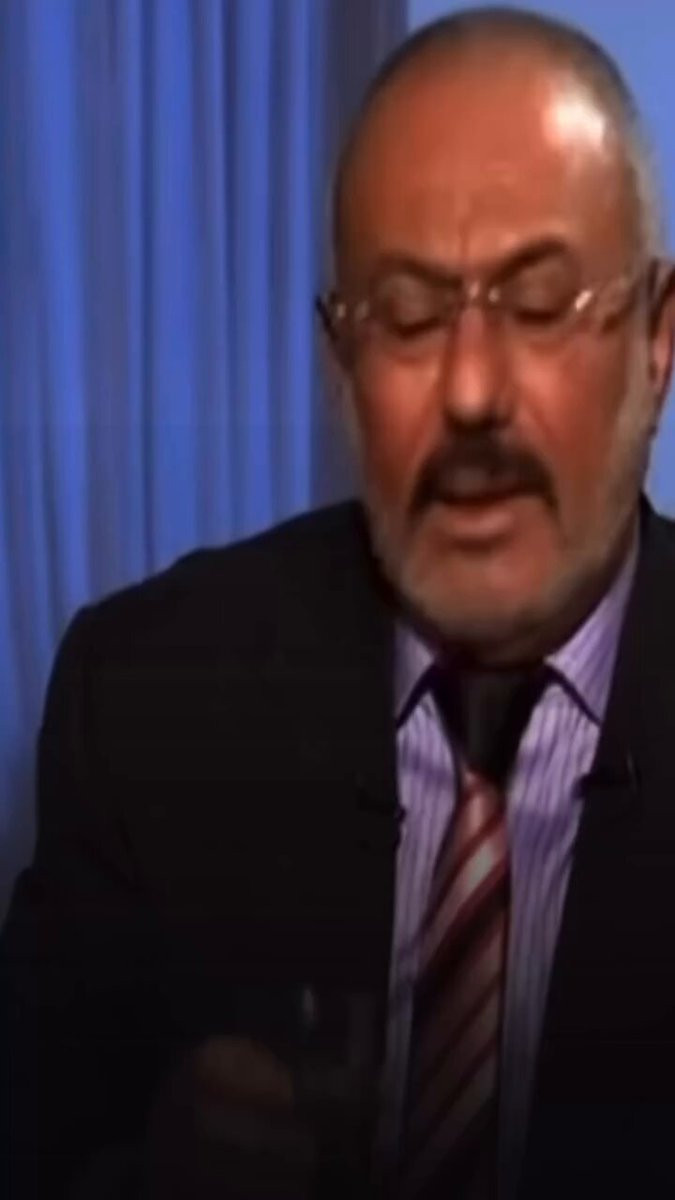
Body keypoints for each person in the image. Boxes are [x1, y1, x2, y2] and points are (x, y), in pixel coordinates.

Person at [3, 6, 675, 1198]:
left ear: (658, 341)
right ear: (339, 368)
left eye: (539, 306)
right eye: (407, 317)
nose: (472, 393)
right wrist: (145, 1171)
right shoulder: (143, 700)